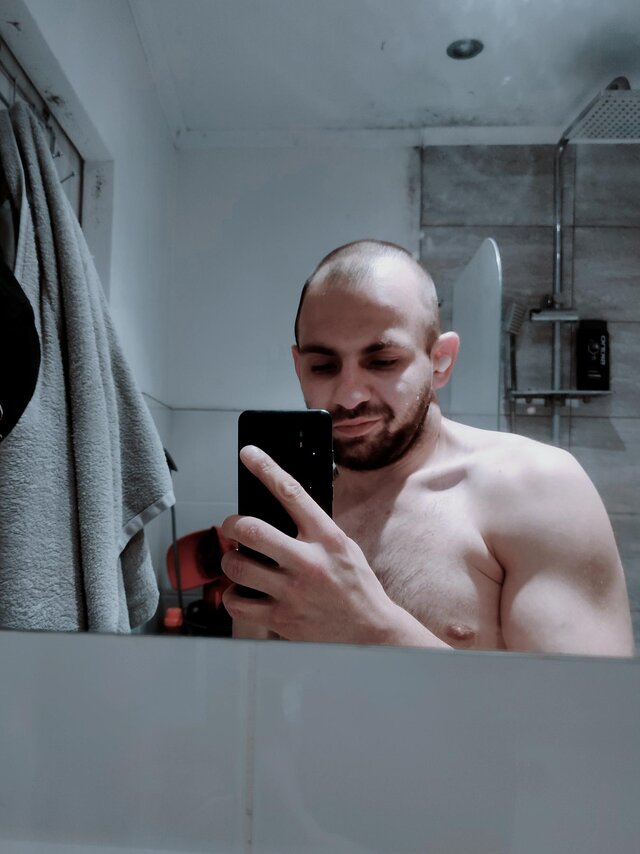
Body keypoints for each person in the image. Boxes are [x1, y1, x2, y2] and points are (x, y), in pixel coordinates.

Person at [221, 239, 634, 655]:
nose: (349, 395)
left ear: (440, 360)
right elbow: (259, 685)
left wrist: (371, 628)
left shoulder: (538, 489)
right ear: (299, 367)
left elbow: (580, 696)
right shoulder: (290, 512)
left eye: (382, 362)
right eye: (323, 366)